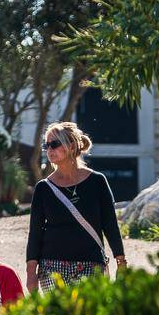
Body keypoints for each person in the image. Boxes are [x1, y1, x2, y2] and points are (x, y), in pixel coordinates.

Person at [25, 120, 128, 293]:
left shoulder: (97, 181)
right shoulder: (43, 188)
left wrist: (121, 261)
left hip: (91, 264)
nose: (49, 150)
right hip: (52, 266)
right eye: (46, 145)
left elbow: (110, 224)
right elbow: (35, 231)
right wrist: (30, 273)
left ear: (71, 146)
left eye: (55, 144)